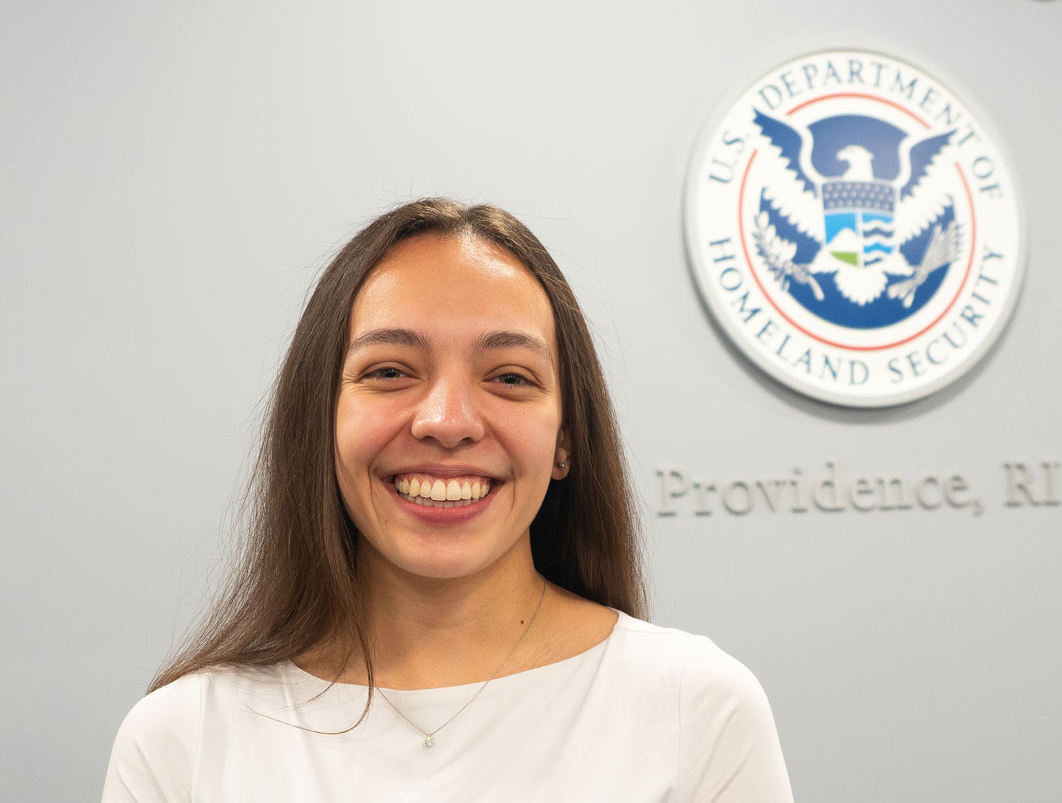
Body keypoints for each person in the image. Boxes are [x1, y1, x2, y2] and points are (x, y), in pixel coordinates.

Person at [101, 199, 793, 801]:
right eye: (391, 370)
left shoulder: (698, 710)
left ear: (565, 441)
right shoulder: (182, 739)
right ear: (320, 420)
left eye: (511, 377)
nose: (447, 420)